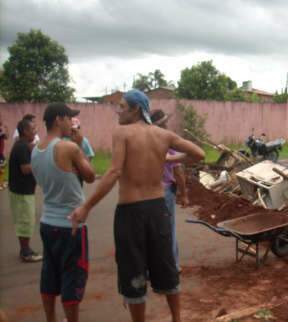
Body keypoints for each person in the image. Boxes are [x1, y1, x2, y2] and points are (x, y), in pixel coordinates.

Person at [69, 89, 205, 322]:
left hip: (131, 212)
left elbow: (114, 172)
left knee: (134, 271)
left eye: (122, 107)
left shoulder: (122, 133)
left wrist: (86, 206)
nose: (118, 111)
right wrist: (172, 158)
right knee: (165, 265)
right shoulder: (163, 135)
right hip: (157, 209)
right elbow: (199, 153)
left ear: (135, 109)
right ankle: (177, 319)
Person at [31, 103, 96, 322]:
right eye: (69, 118)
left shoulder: (36, 149)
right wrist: (79, 146)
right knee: (72, 277)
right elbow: (89, 175)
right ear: (59, 119)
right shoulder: (68, 148)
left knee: (49, 275)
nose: (72, 123)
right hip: (72, 225)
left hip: (47, 222)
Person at [150, 109, 189, 273]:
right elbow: (178, 172)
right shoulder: (168, 143)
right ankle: (172, 265)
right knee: (168, 228)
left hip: (149, 190)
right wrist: (184, 194)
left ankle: (151, 267)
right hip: (165, 190)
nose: (167, 125)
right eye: (164, 123)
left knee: (152, 229)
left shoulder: (147, 143)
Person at [8, 118, 42, 262]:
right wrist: (40, 163)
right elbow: (25, 169)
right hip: (21, 191)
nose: (35, 131)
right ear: (25, 131)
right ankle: (25, 252)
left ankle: (25, 249)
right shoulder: (22, 147)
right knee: (25, 221)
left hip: (22, 190)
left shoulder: (23, 145)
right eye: (33, 129)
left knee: (25, 220)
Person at [0, 113, 9, 190]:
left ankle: (1, 183)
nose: (1, 120)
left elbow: (6, 137)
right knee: (2, 166)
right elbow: (5, 136)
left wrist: (6, 129)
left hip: (1, 153)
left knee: (3, 166)